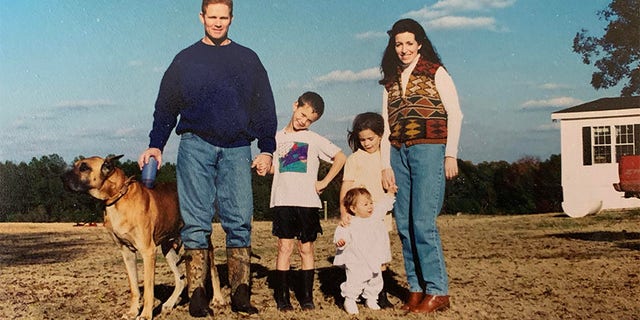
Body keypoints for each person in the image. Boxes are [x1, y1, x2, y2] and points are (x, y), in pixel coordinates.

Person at [137, 0, 277, 317]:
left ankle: (241, 293)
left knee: (240, 219)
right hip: (195, 145)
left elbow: (264, 106)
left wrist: (267, 147)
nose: (217, 23)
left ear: (232, 18)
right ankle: (198, 293)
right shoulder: (185, 60)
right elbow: (165, 106)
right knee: (196, 222)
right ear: (201, 17)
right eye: (211, 17)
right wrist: (156, 144)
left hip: (238, 147)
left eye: (223, 18)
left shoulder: (248, 59)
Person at [378, 18, 463, 314]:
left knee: (423, 223)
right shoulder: (389, 81)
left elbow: (455, 113)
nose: (403, 50)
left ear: (420, 44)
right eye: (398, 44)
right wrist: (384, 166)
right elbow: (386, 125)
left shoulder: (435, 72)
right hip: (398, 153)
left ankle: (438, 291)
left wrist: (450, 154)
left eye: (409, 44)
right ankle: (416, 287)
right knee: (403, 223)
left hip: (429, 150)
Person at [269, 91, 346, 311]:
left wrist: (324, 181)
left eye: (309, 120)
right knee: (284, 247)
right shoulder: (276, 138)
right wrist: (265, 168)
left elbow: (340, 157)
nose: (303, 121)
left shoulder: (313, 139)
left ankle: (306, 296)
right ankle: (282, 297)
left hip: (308, 203)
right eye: (302, 114)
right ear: (295, 106)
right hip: (283, 201)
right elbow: (276, 167)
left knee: (306, 250)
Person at [339, 112, 396, 309]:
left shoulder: (387, 158)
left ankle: (380, 295)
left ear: (381, 135)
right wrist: (343, 211)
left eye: (370, 138)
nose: (366, 143)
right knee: (360, 255)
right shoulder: (354, 159)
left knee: (380, 254)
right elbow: (346, 187)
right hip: (360, 218)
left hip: (379, 215)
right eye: (362, 139)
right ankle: (356, 292)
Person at [333, 187, 394, 315]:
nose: (370, 206)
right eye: (365, 204)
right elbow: (341, 233)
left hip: (374, 257)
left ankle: (371, 298)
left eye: (371, 202)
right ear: (353, 208)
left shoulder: (375, 216)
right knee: (355, 279)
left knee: (376, 278)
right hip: (356, 259)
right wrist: (341, 241)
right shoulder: (349, 222)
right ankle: (350, 299)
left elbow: (383, 205)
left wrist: (390, 194)